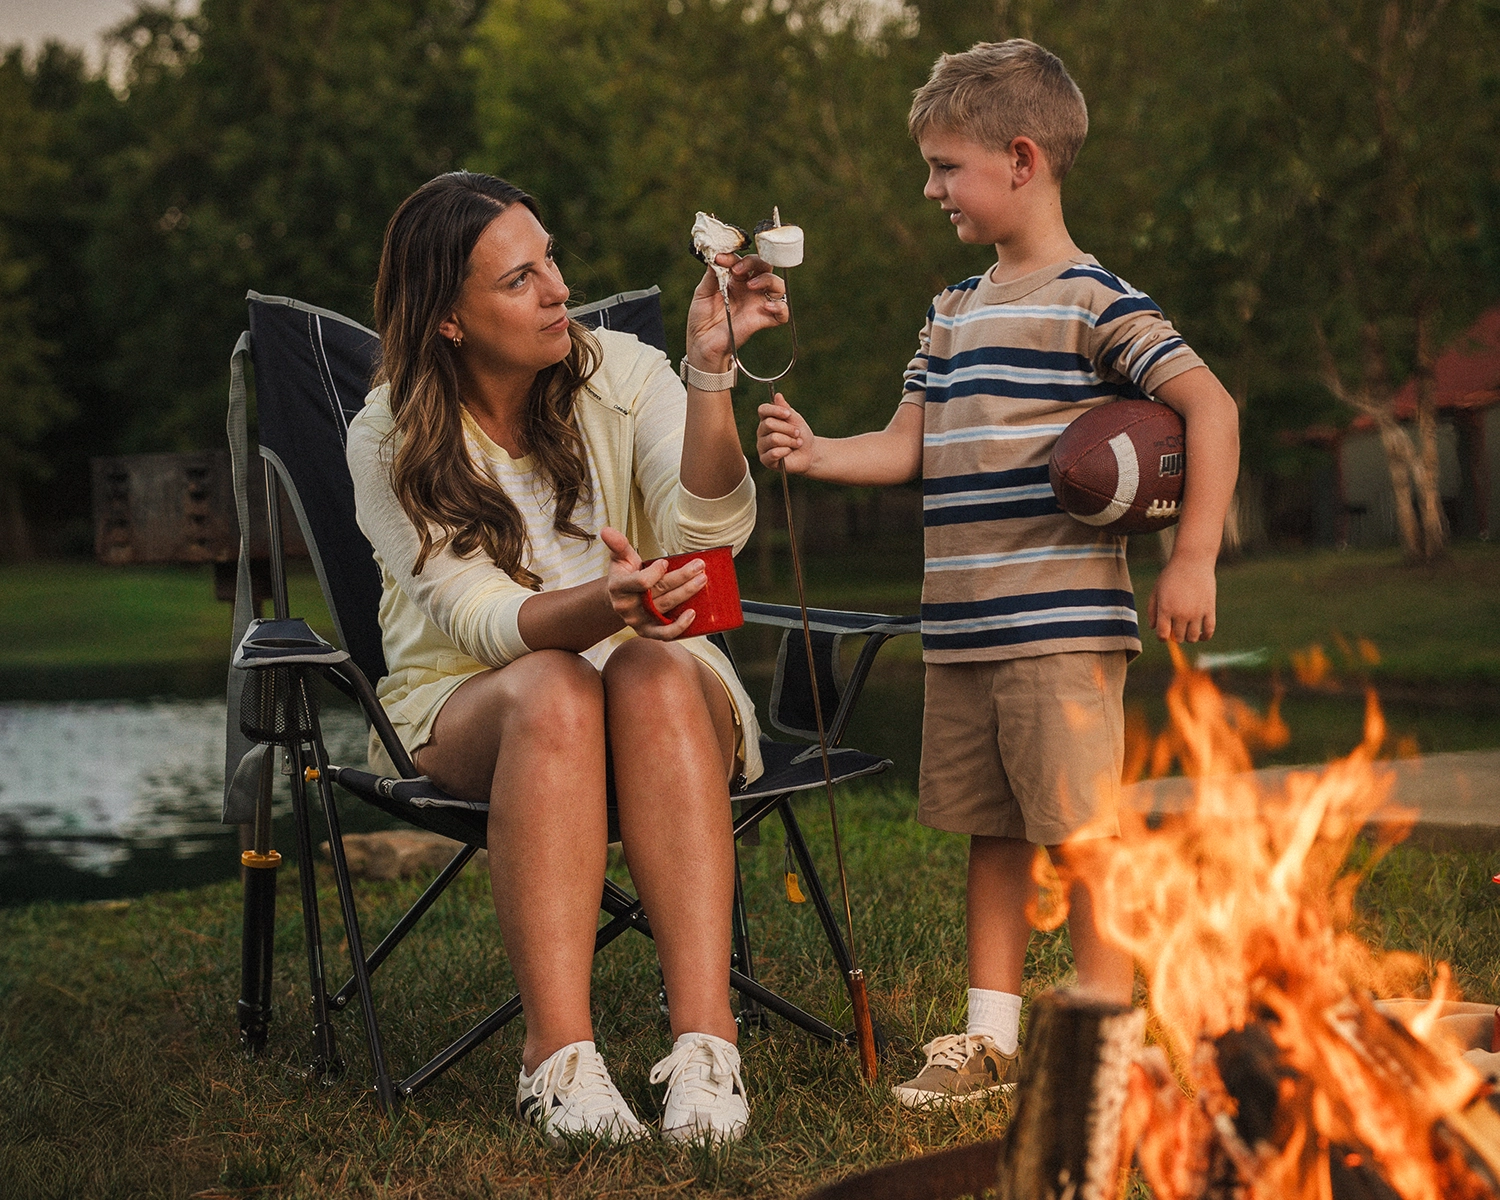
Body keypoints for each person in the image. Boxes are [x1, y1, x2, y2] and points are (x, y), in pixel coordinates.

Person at [756, 40, 1240, 1106]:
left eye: (945, 167)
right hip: (963, 630)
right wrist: (816, 449)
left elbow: (1211, 406)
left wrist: (1192, 553)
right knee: (993, 831)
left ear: (1021, 158)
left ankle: (1109, 1036)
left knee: (1082, 836)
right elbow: (909, 444)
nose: (931, 189)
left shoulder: (1096, 303)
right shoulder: (955, 308)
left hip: (1059, 630)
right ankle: (990, 1036)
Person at [348, 171, 788, 1144]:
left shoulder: (624, 373)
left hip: (654, 702)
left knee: (649, 667)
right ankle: (559, 1062)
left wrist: (710, 371)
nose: (557, 289)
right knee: (551, 683)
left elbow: (706, 529)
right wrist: (604, 600)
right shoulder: (387, 435)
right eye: (518, 279)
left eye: (550, 259)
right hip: (473, 710)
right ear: (449, 319)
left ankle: (708, 1047)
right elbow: (480, 622)